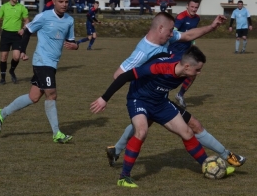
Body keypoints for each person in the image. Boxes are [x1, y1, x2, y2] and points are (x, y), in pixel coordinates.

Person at [105, 12, 245, 170]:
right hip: (146, 97)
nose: (173, 34)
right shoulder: (142, 52)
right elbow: (118, 75)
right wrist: (146, 77)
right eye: (170, 30)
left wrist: (212, 27)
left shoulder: (166, 37)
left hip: (159, 98)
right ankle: (226, 156)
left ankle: (115, 150)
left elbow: (188, 35)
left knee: (144, 126)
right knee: (189, 125)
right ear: (160, 28)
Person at [90, 46, 235, 188]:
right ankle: (124, 177)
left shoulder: (181, 65)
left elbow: (165, 53)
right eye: (197, 70)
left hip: (160, 103)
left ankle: (208, 166)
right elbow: (125, 76)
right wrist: (104, 98)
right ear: (186, 66)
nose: (199, 73)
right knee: (141, 131)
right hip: (139, 99)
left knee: (187, 132)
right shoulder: (158, 68)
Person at [0, 0, 79, 143]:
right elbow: (27, 31)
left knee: (33, 97)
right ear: (54, 2)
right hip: (42, 61)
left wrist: (75, 46)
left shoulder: (69, 20)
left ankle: (1, 113)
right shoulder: (44, 16)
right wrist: (22, 51)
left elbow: (71, 40)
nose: (64, 4)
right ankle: (57, 134)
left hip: (52, 63)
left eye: (66, 2)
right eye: (61, 1)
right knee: (52, 94)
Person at [173, 0, 201, 109]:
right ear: (187, 6)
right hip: (174, 49)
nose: (194, 9)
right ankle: (161, 96)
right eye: (192, 7)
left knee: (193, 72)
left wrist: (193, 44)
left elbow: (193, 33)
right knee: (172, 74)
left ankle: (180, 94)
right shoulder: (181, 17)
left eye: (196, 7)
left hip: (186, 50)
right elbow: (173, 33)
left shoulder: (197, 18)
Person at [0, 0, 29, 85]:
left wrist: (23, 29)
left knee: (16, 57)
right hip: (6, 34)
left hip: (17, 35)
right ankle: (3, 78)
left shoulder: (22, 7)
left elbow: (27, 21)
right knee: (4, 57)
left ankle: (12, 70)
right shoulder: (4, 7)